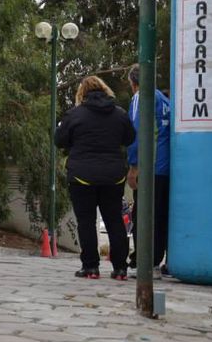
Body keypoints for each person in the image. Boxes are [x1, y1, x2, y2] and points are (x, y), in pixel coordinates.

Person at [55, 75, 135, 281]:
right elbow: (130, 138)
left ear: (82, 93)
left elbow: (59, 140)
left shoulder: (74, 114)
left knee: (86, 221)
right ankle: (120, 268)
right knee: (114, 220)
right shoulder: (119, 114)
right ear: (105, 90)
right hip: (113, 176)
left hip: (82, 176)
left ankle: (90, 267)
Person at [126, 64, 171, 278]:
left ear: (134, 83)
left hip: (149, 168)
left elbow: (137, 131)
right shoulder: (165, 101)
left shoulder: (141, 97)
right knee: (161, 217)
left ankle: (145, 263)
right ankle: (157, 261)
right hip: (165, 168)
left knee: (142, 216)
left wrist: (134, 166)